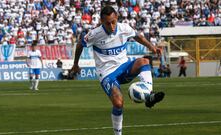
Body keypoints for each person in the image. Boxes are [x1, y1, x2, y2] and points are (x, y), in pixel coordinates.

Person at [70, 6, 165, 135]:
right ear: (102, 22)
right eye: (108, 23)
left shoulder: (124, 28)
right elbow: (80, 44)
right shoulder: (95, 34)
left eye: (113, 22)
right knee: (118, 103)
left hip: (124, 67)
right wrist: (75, 64)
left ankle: (148, 95)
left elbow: (138, 37)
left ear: (117, 18)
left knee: (144, 61)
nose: (112, 26)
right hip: (107, 74)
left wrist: (152, 47)